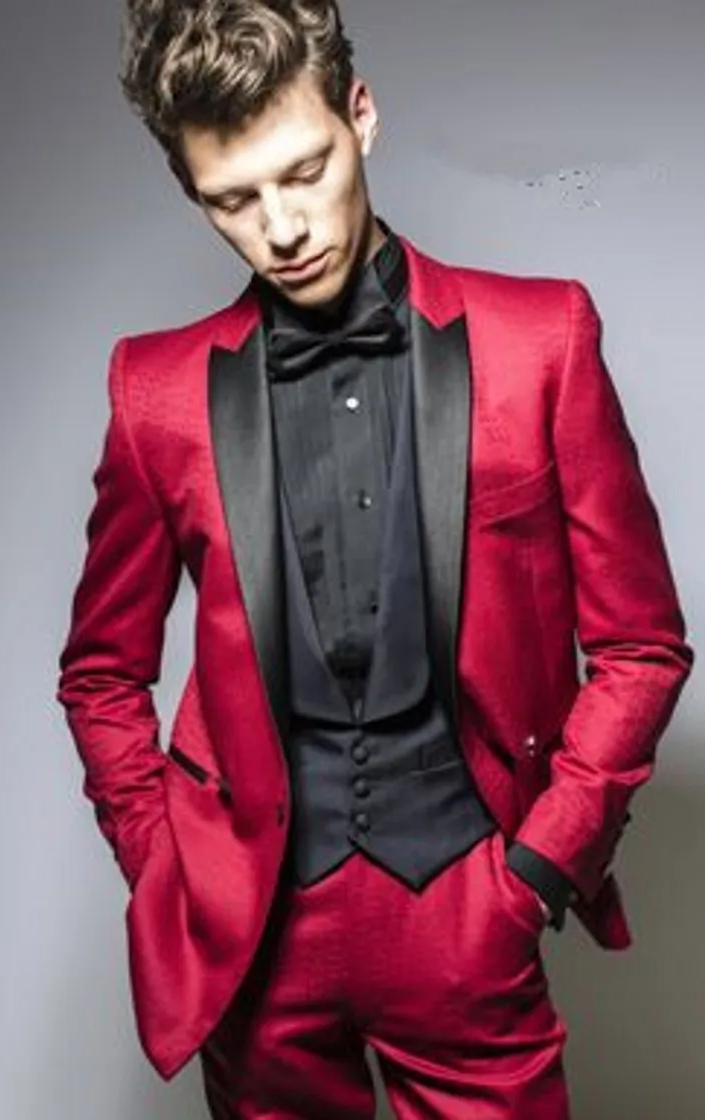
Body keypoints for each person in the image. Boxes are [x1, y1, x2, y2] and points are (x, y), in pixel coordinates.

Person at [56, 2, 693, 1116]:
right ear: (191, 191)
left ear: (361, 115)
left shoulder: (539, 342)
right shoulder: (155, 395)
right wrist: (168, 865)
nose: (282, 228)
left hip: (468, 905)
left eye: (305, 171)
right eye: (234, 199)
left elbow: (641, 646)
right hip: (256, 939)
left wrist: (539, 866)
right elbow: (100, 675)